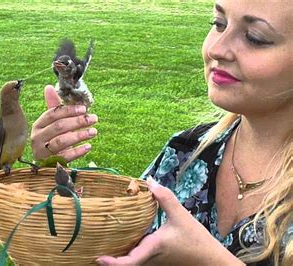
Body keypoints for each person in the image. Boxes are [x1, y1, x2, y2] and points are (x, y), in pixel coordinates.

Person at [30, 0, 292, 265]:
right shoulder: (184, 154)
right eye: (218, 24)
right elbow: (98, 250)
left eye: (255, 38)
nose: (216, 49)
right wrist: (53, 180)